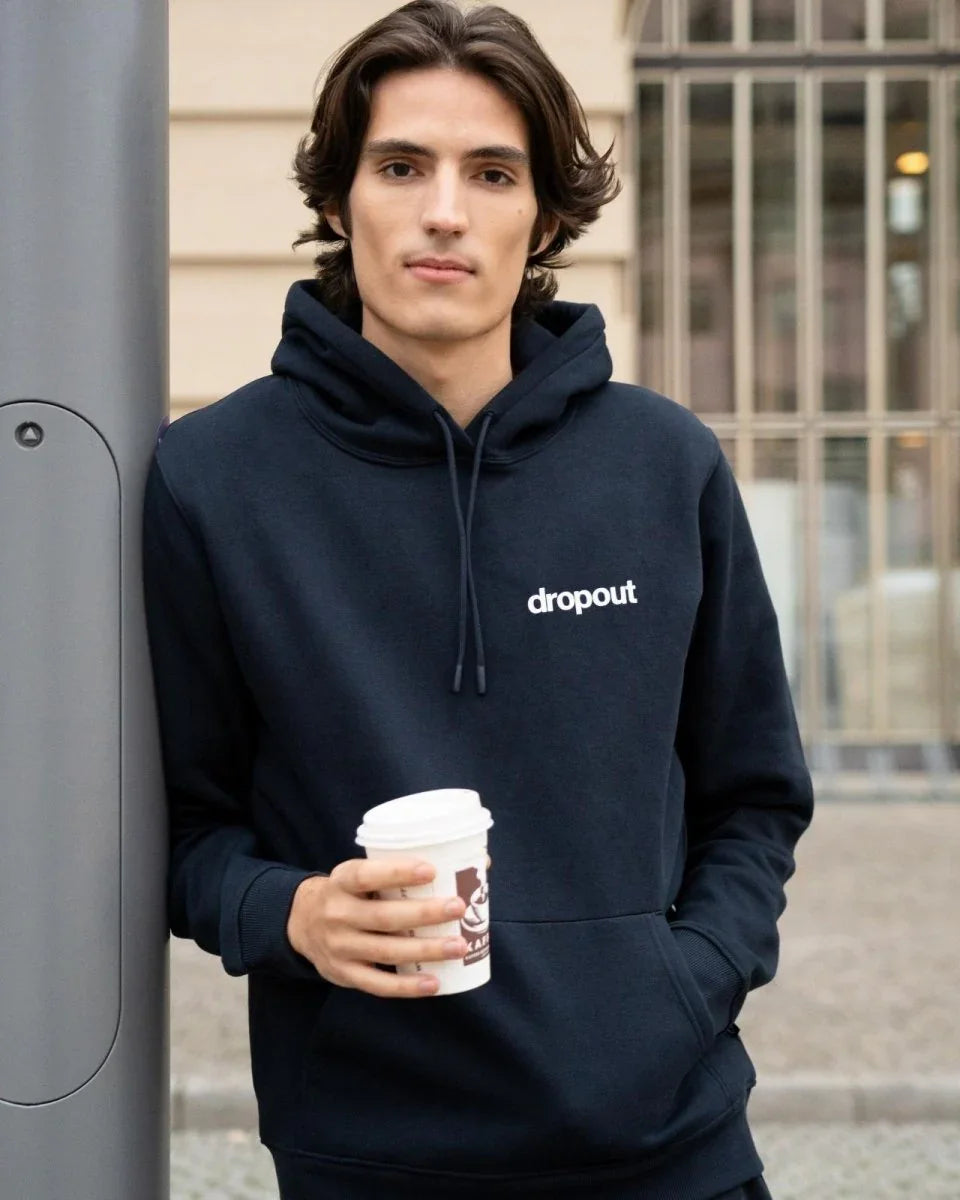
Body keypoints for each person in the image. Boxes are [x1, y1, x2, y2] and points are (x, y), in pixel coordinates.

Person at [141, 2, 813, 1196]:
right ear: (340, 199)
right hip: (369, 1154)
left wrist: (686, 979)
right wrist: (288, 913)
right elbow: (180, 831)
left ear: (544, 212)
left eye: (491, 172)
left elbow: (753, 795)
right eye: (401, 165)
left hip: (671, 1152)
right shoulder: (212, 482)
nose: (443, 210)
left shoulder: (664, 467)